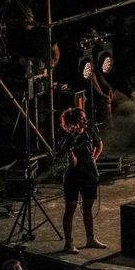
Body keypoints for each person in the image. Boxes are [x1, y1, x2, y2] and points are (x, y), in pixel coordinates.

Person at [58, 104, 106, 254]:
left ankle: (90, 238)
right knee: (70, 209)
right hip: (74, 176)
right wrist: (70, 151)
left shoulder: (90, 132)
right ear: (75, 121)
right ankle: (69, 242)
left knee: (88, 208)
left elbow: (100, 144)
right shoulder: (69, 138)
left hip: (89, 174)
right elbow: (73, 164)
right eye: (83, 118)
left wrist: (94, 158)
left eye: (85, 117)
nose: (86, 120)